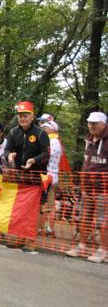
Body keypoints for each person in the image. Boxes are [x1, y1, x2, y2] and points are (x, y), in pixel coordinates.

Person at [4, 101, 50, 253]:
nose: (22, 118)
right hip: (19, 176)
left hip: (36, 176)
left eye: (25, 116)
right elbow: (6, 150)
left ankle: (31, 240)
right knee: (20, 207)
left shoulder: (41, 133)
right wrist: (9, 155)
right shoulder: (12, 133)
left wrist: (33, 160)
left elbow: (46, 153)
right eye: (20, 116)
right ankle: (19, 237)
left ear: (32, 117)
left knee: (34, 210)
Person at [66, 112, 107, 263]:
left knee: (103, 220)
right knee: (84, 217)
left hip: (104, 189)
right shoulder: (89, 140)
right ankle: (81, 246)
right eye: (90, 123)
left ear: (103, 124)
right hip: (87, 187)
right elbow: (86, 164)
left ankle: (103, 251)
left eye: (95, 123)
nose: (91, 126)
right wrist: (83, 186)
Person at [39, 120, 70, 238]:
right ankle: (49, 229)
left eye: (46, 128)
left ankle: (43, 228)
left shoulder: (52, 141)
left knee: (43, 204)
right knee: (49, 204)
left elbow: (45, 156)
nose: (43, 129)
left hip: (47, 177)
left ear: (52, 129)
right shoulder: (58, 142)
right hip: (53, 176)